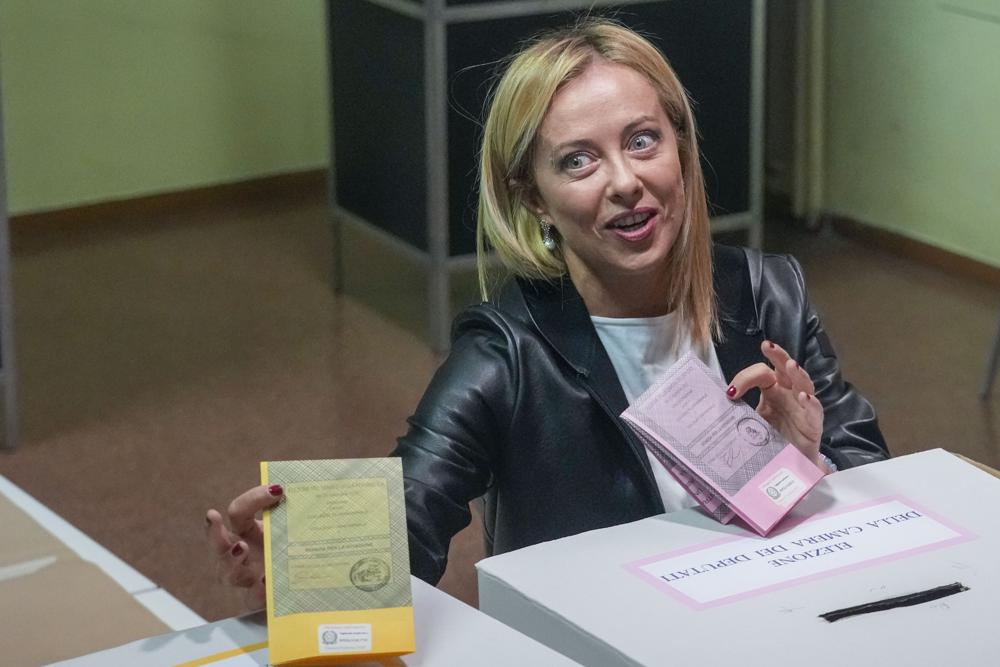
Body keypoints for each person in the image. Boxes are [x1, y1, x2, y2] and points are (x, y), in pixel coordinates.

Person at [207, 19, 888, 608]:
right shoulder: (507, 352)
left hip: (772, 617)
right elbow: (410, 511)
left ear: (679, 148)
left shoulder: (767, 292)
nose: (625, 181)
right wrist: (301, 569)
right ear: (533, 197)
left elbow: (876, 478)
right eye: (579, 160)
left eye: (643, 140)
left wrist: (805, 462)